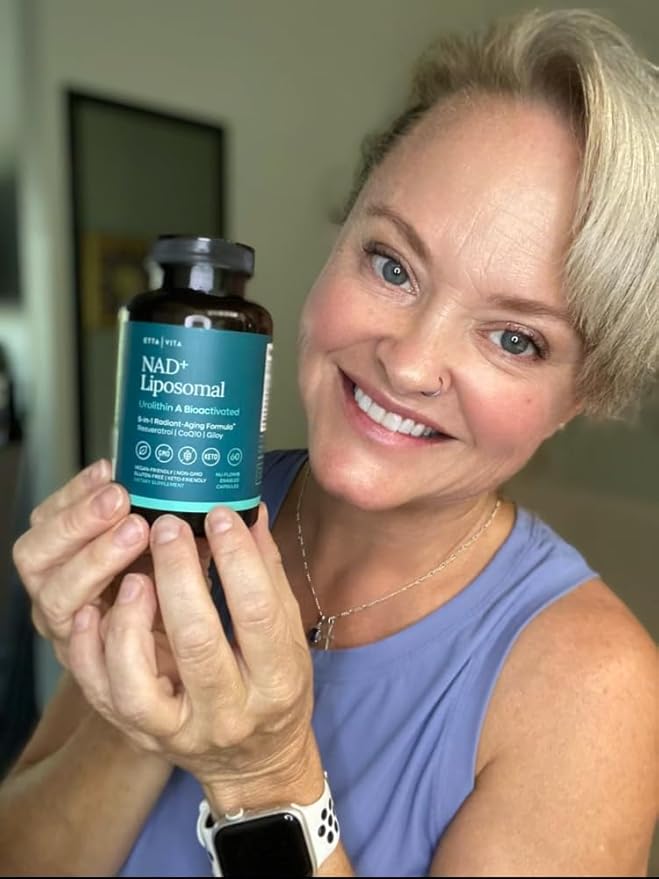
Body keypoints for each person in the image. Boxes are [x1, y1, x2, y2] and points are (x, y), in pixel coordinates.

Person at [2, 7, 657, 876]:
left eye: (514, 338)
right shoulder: (191, 511)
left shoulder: (598, 691)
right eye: (392, 265)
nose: (409, 363)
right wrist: (147, 706)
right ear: (338, 235)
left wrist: (264, 774)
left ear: (582, 396)